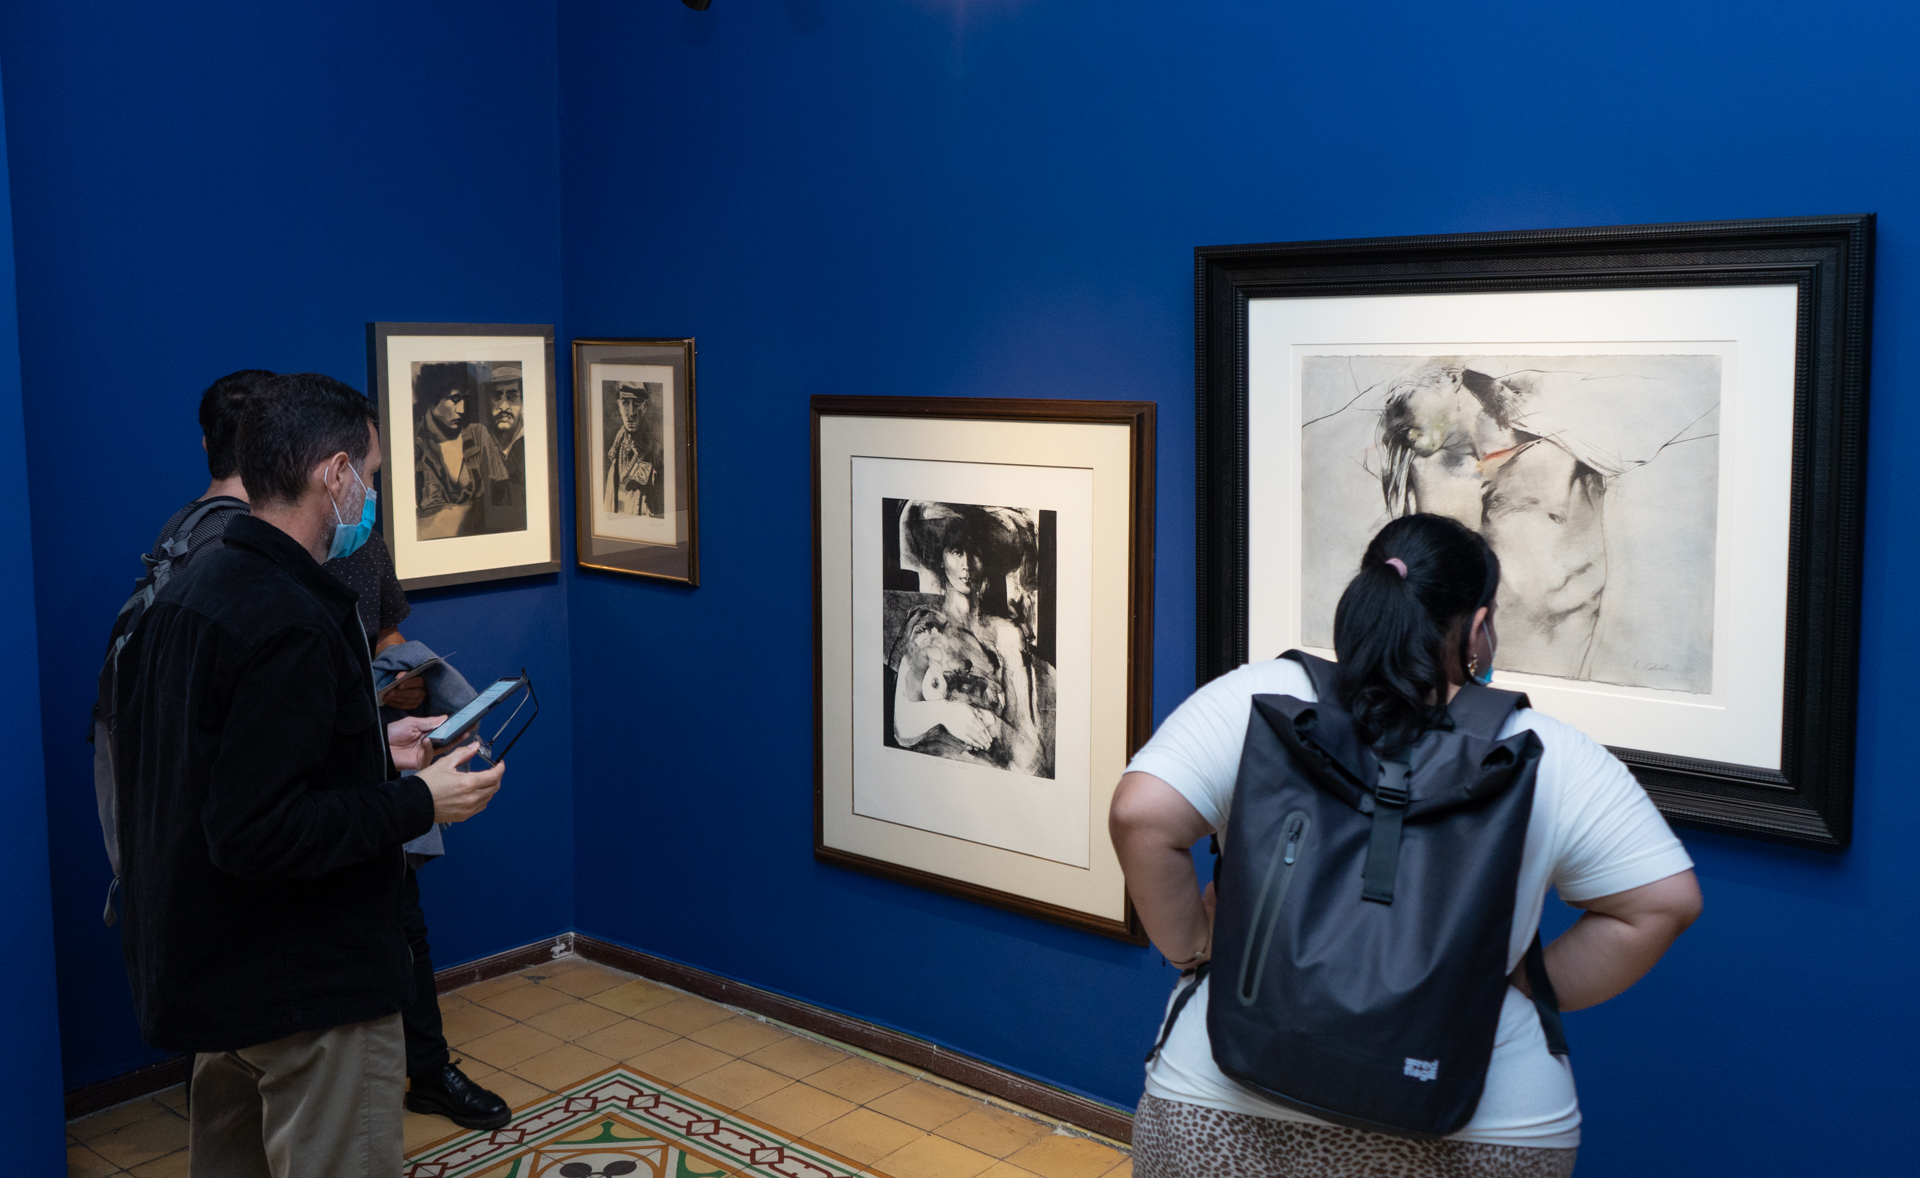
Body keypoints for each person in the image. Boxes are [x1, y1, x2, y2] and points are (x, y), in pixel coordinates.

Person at [1110, 513, 1702, 1178]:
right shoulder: (1545, 751)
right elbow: (1664, 904)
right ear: (1478, 629)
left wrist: (1190, 943)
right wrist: (1519, 981)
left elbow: (1140, 815)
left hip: (1224, 1097)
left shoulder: (1256, 699)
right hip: (1487, 1119)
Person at [112, 372, 507, 1176]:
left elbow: (221, 775)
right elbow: (259, 831)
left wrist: (375, 750)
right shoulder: (291, 618)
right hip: (308, 996)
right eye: (373, 475)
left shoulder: (195, 588)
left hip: (218, 986)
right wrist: (417, 800)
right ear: (334, 475)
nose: (373, 498)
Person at [887, 501, 1054, 777]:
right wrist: (947, 713)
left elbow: (1031, 755)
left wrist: (992, 722)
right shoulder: (927, 628)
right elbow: (901, 725)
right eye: (956, 551)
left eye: (975, 553)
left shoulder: (1007, 637)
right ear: (941, 559)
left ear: (986, 561)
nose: (966, 565)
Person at [415, 361, 506, 539]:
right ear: (432, 398)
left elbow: (501, 497)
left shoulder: (478, 435)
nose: (462, 409)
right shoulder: (414, 444)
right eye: (455, 400)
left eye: (465, 399)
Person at [472, 362, 527, 533]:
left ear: (523, 402)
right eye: (497, 397)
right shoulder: (478, 442)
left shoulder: (533, 445)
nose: (503, 406)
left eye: (511, 397)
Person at [602, 381, 660, 517]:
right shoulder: (615, 450)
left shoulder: (654, 456)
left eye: (637, 403)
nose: (631, 412)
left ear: (645, 407)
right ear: (619, 406)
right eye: (625, 403)